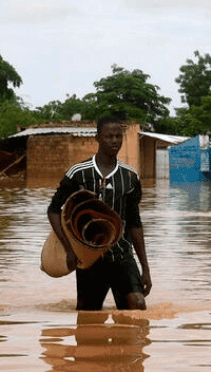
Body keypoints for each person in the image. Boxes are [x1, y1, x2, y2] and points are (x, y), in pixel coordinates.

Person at [47, 116, 152, 311]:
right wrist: (69, 249)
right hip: (89, 259)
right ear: (97, 138)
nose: (114, 141)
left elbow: (135, 223)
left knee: (137, 304)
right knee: (88, 317)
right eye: (109, 136)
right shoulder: (78, 173)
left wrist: (145, 268)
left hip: (122, 256)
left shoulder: (130, 177)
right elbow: (53, 211)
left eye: (118, 136)